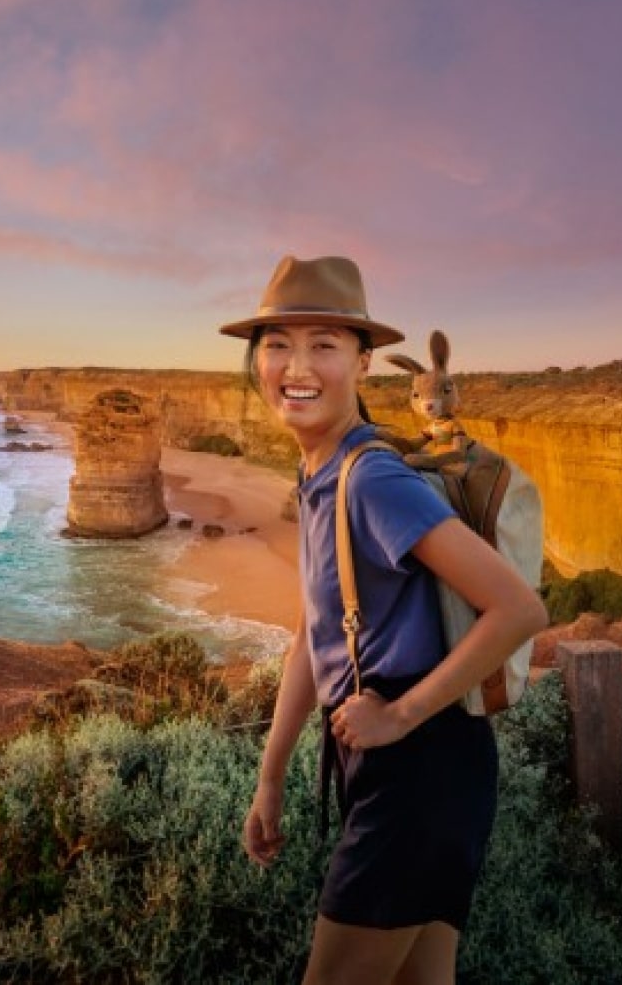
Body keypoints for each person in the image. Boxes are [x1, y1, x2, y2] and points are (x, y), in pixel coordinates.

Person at [220, 255, 548, 985]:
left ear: (364, 362)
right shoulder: (317, 473)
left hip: (417, 766)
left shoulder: (372, 478)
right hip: (419, 770)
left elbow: (519, 608)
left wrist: (400, 714)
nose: (296, 365)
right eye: (277, 343)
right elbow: (314, 635)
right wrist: (269, 778)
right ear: (256, 359)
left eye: (325, 344)